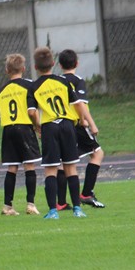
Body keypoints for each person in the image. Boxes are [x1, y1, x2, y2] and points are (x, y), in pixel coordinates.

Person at [26, 47, 90, 220]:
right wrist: (81, 120)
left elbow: (31, 112)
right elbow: (78, 104)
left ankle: (53, 211)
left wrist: (37, 126)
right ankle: (77, 209)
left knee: (51, 170)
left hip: (50, 127)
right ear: (53, 64)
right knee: (70, 167)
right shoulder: (63, 82)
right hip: (67, 125)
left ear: (35, 67)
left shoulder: (34, 86)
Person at [54, 49, 106, 210]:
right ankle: (86, 193)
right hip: (77, 124)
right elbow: (80, 103)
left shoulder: (56, 81)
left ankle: (61, 203)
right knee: (97, 154)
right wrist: (89, 122)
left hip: (60, 124)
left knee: (64, 163)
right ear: (77, 63)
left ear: (60, 65)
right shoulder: (77, 80)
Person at [0, 54, 41, 216]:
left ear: (7, 70)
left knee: (12, 167)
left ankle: (7, 206)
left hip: (8, 129)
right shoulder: (29, 85)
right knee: (29, 165)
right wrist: (38, 126)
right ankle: (30, 204)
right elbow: (32, 111)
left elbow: (1, 115)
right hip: (24, 128)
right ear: (23, 68)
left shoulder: (2, 90)